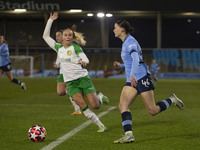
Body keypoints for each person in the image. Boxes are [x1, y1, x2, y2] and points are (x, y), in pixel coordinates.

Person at [112, 20, 184, 143]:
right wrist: (122, 66)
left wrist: (133, 75)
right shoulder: (125, 42)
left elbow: (135, 59)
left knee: (152, 110)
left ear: (122, 29)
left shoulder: (130, 42)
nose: (114, 30)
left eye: (115, 28)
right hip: (132, 79)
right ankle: (129, 134)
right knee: (122, 105)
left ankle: (171, 99)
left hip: (141, 77)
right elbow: (133, 61)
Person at [43, 12, 109, 132]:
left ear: (72, 37)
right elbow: (46, 37)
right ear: (62, 37)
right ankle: (101, 126)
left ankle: (99, 96)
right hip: (71, 83)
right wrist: (50, 21)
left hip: (83, 79)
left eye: (70, 35)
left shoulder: (75, 48)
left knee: (96, 106)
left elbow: (85, 58)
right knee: (83, 106)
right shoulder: (58, 48)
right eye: (66, 35)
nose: (68, 37)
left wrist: (84, 61)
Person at [54, 30, 82, 115]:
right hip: (63, 72)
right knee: (60, 92)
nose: (57, 38)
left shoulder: (72, 47)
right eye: (56, 36)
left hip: (71, 72)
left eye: (59, 35)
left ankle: (77, 109)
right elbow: (60, 57)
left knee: (70, 90)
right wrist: (57, 64)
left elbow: (79, 56)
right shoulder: (59, 47)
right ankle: (78, 105)